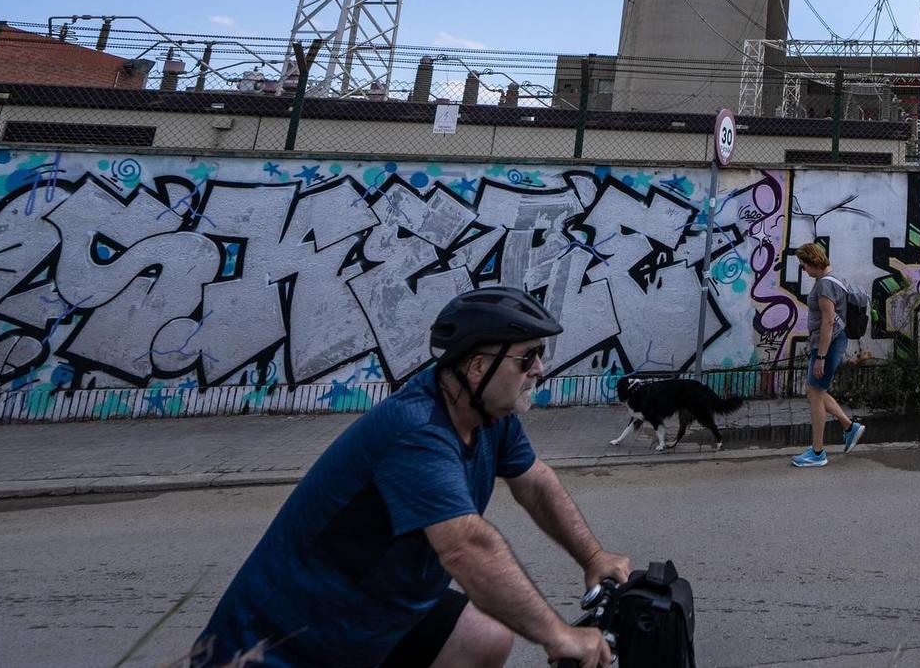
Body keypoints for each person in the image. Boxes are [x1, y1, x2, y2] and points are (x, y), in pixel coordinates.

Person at [192, 286, 631, 668]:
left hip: (379, 618)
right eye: (527, 357)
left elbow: (535, 482)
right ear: (477, 367)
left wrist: (593, 557)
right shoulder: (417, 431)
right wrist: (559, 636)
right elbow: (467, 547)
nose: (539, 368)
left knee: (485, 637)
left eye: (540, 354)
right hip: (288, 647)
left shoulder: (487, 415)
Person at [791, 241, 864, 468]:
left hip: (828, 344)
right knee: (815, 390)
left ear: (813, 262)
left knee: (814, 393)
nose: (803, 271)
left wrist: (821, 356)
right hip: (830, 343)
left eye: (803, 266)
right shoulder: (833, 280)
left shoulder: (824, 285)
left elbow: (828, 321)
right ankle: (849, 427)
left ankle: (818, 452)